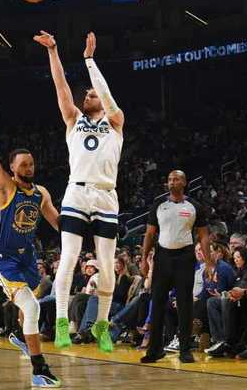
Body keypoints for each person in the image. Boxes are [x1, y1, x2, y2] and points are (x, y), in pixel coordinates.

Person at [34, 30, 124, 353]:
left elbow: (107, 95)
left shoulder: (115, 121)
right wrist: (53, 51)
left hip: (106, 195)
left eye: (92, 94)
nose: (88, 95)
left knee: (106, 264)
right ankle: (61, 321)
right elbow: (60, 86)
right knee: (69, 258)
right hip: (76, 193)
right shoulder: (74, 119)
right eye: (86, 93)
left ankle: (101, 325)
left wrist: (89, 60)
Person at [0, 90, 61, 388]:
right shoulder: (5, 187)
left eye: (31, 164)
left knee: (29, 304)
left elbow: (58, 223)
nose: (29, 168)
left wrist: (84, 228)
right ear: (12, 168)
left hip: (28, 257)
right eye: (23, 164)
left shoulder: (41, 193)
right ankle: (39, 369)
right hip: (4, 258)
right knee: (32, 307)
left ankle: (20, 336)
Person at [138, 170, 213, 363]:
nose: (172, 182)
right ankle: (155, 350)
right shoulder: (158, 204)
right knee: (157, 303)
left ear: (184, 182)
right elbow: (149, 234)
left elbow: (204, 236)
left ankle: (185, 350)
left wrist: (209, 263)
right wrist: (144, 259)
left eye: (176, 179)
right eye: (170, 179)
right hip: (162, 257)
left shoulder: (194, 206)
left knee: (185, 305)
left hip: (185, 257)